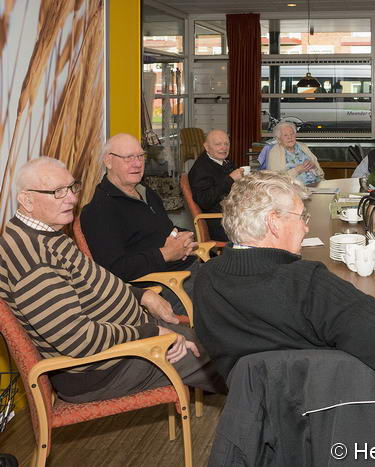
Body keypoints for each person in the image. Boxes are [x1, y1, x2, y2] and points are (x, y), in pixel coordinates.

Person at [0, 157, 224, 403]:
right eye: (58, 192)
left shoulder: (47, 233)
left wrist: (142, 295)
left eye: (72, 188)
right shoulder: (32, 259)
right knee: (231, 360)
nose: (72, 199)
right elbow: (77, 339)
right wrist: (152, 332)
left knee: (223, 343)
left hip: (128, 340)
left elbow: (96, 281)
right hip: (105, 368)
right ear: (26, 200)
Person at [193, 171, 375, 382]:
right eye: (302, 216)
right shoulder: (306, 284)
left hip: (252, 410)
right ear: (273, 222)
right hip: (331, 409)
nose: (306, 226)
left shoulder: (206, 279)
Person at [81, 133, 199, 315]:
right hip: (167, 288)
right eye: (128, 158)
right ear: (108, 161)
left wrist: (184, 236)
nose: (137, 164)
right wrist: (166, 254)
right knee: (235, 298)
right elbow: (114, 270)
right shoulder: (99, 210)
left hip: (190, 271)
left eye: (140, 156)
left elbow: (165, 229)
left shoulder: (146, 192)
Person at [187, 129, 244, 241]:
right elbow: (205, 200)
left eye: (226, 144)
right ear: (206, 147)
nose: (224, 148)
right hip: (221, 223)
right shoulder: (201, 169)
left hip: (233, 215)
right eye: (218, 144)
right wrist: (230, 179)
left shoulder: (223, 161)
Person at [257, 122, 324, 185]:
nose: (290, 137)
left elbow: (321, 174)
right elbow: (276, 179)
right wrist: (296, 170)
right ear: (279, 139)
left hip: (316, 184)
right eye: (285, 135)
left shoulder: (303, 146)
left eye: (292, 134)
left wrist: (314, 167)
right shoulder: (274, 152)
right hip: (294, 188)